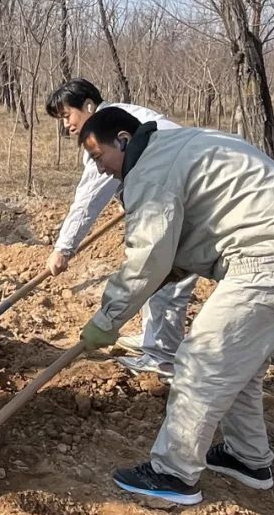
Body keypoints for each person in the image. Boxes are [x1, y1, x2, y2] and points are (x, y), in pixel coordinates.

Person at [77, 108, 274, 505]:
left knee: (201, 361)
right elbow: (173, 257)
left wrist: (107, 320)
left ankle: (173, 474)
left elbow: (147, 259)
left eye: (98, 158)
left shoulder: (150, 171)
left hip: (272, 256)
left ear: (123, 139)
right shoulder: (176, 146)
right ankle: (246, 457)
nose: (101, 170)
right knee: (237, 364)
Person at [45, 78, 193, 378]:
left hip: (185, 199)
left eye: (67, 116)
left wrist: (63, 248)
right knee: (159, 271)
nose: (66, 126)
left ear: (88, 105)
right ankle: (155, 340)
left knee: (162, 269)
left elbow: (89, 199)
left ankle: (161, 354)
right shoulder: (123, 116)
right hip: (175, 191)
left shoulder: (104, 133)